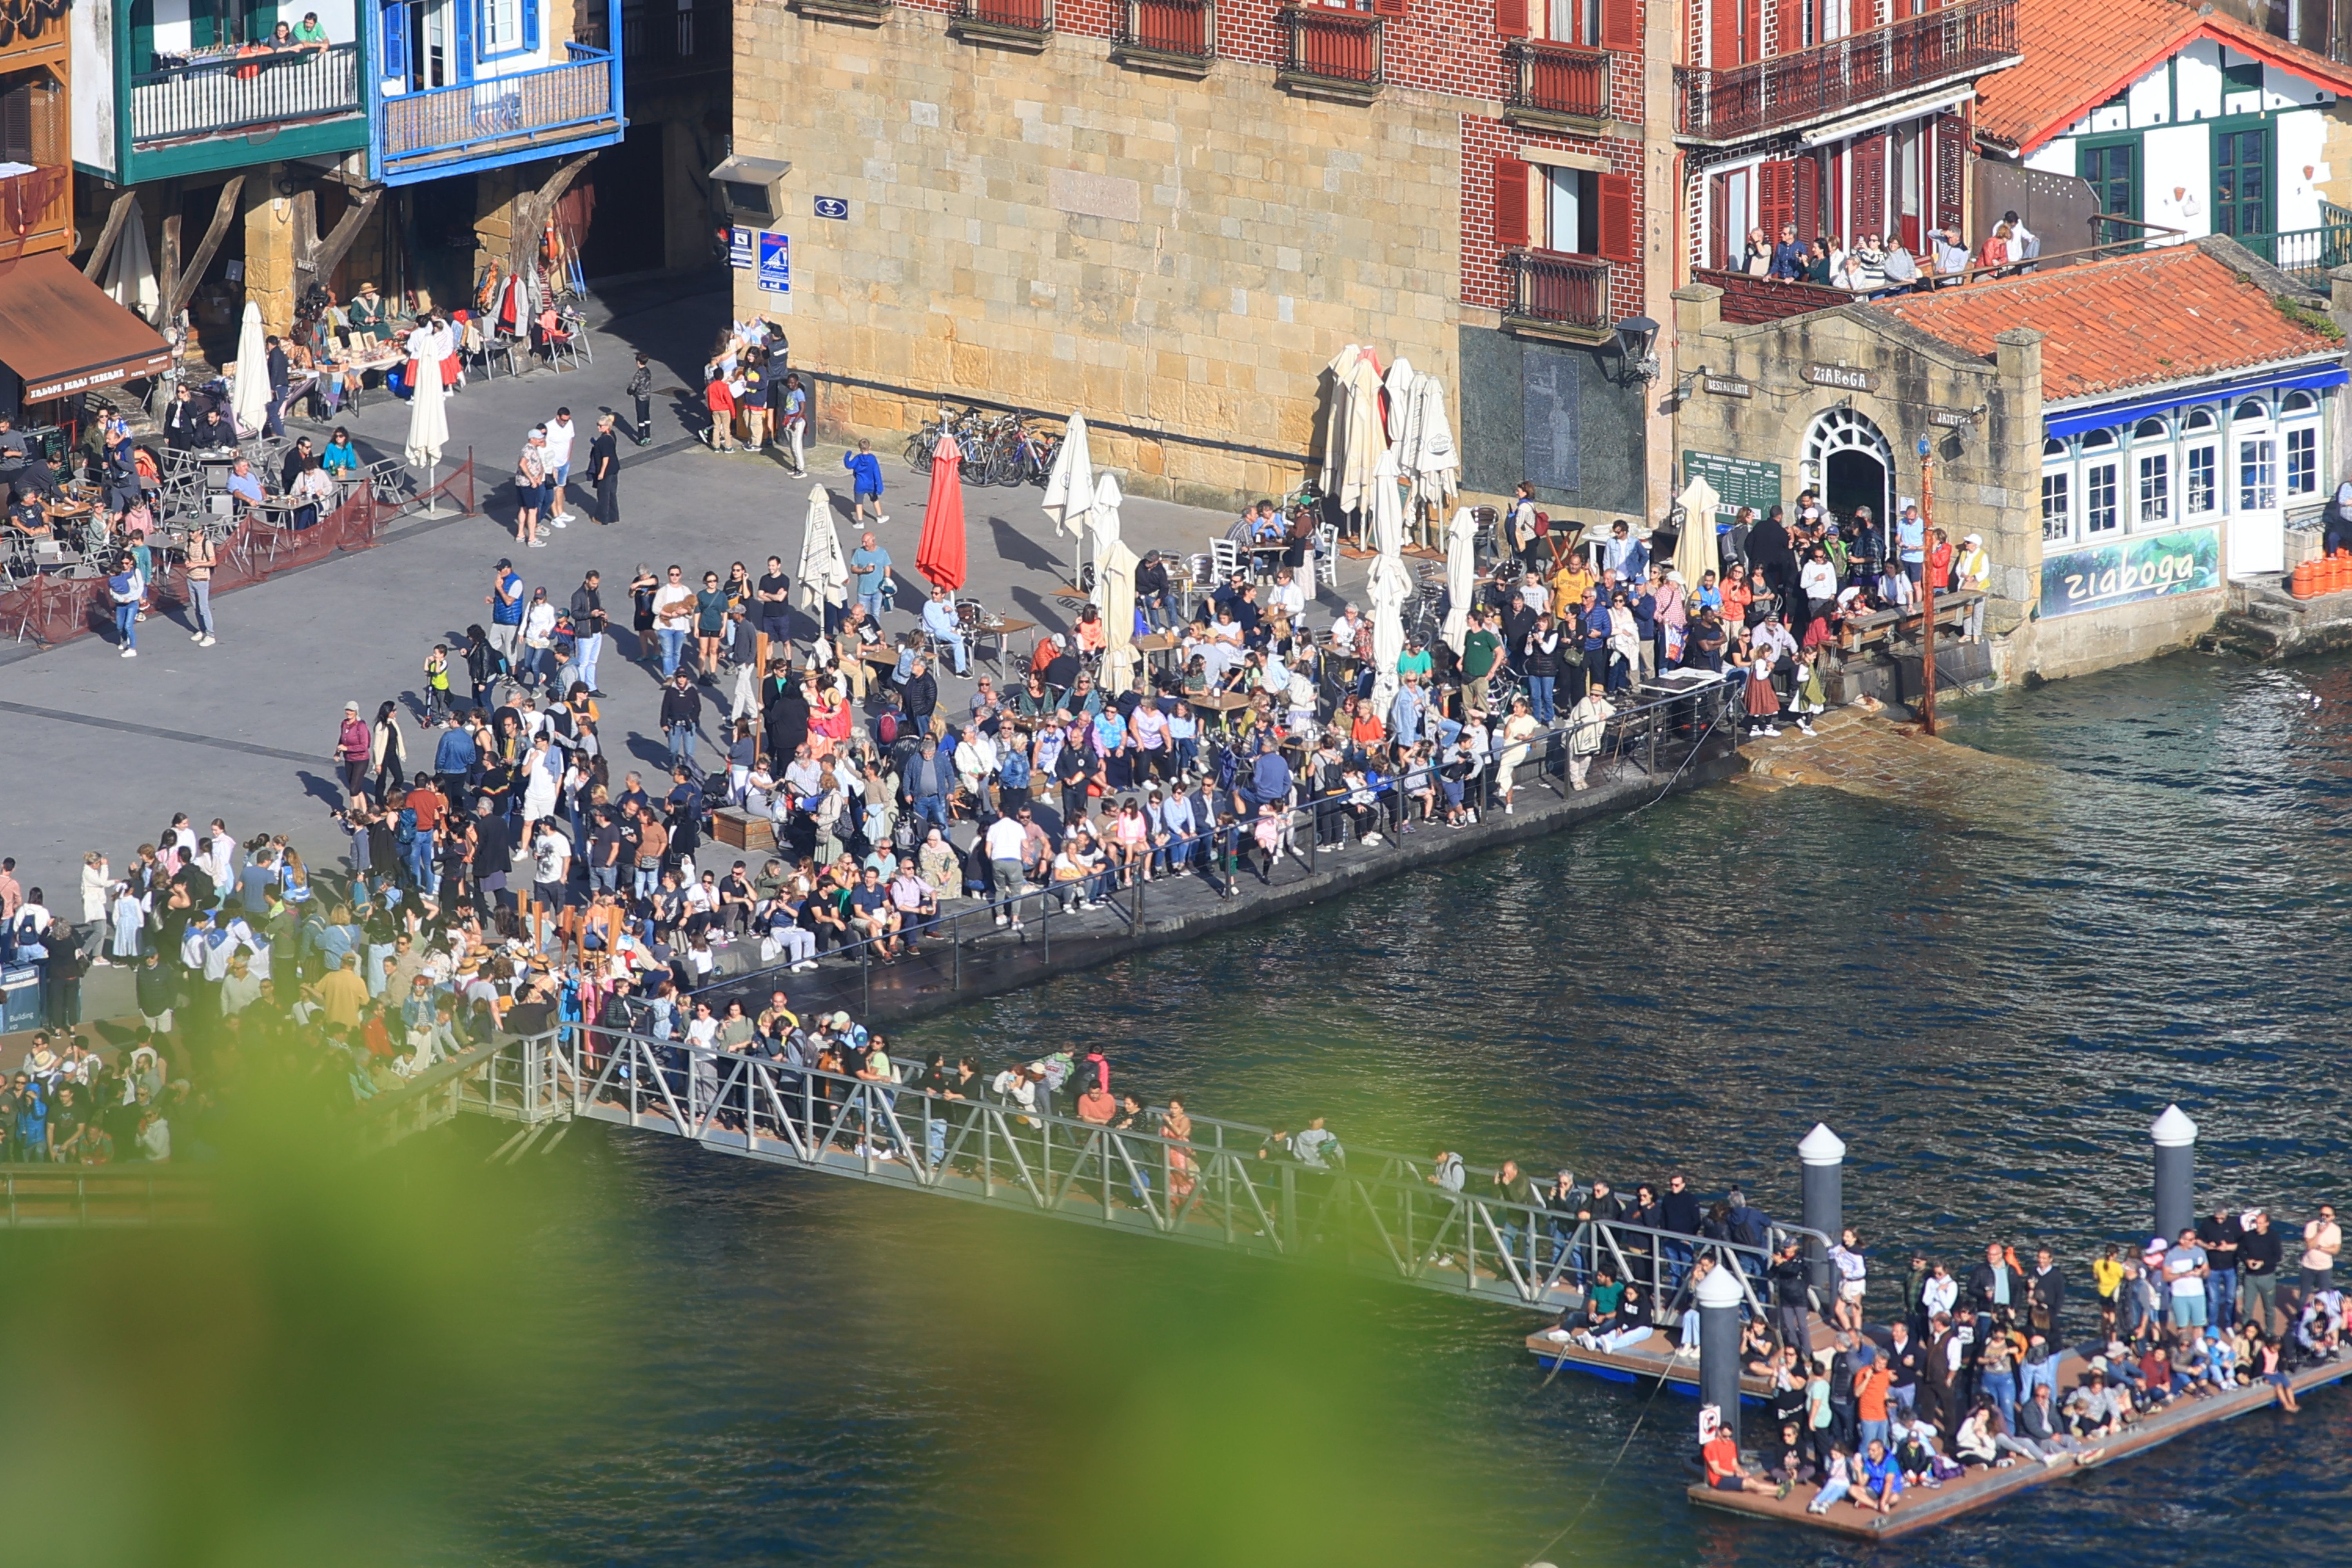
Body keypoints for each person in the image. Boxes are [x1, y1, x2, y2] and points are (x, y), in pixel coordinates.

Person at [588, 412, 621, 525]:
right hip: (614, 468)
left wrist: (601, 473)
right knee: (612, 494)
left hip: (606, 471)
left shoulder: (604, 440)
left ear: (607, 426)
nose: (598, 428)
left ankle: (602, 518)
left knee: (603, 495)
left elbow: (606, 458)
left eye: (601, 426)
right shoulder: (612, 434)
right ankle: (613, 516)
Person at [845, 439, 887, 525]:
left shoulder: (858, 458)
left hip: (860, 484)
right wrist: (880, 486)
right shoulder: (872, 459)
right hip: (871, 484)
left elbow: (849, 465)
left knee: (859, 503)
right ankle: (880, 517)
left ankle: (860, 523)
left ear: (860, 449)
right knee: (875, 499)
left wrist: (847, 456)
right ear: (870, 448)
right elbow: (877, 473)